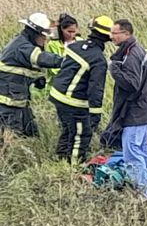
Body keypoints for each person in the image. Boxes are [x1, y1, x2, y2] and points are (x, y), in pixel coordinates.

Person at [48, 16, 111, 164]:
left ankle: (61, 158)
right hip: (73, 102)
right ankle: (74, 167)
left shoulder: (75, 46)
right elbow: (96, 89)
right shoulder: (98, 59)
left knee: (68, 130)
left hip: (57, 95)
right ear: (107, 37)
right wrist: (95, 114)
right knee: (82, 135)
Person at [106, 19, 147, 199]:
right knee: (143, 149)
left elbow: (132, 84)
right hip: (143, 109)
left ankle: (142, 192)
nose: (111, 37)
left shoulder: (132, 54)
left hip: (135, 112)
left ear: (126, 34)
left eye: (114, 33)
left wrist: (114, 70)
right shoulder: (136, 50)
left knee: (132, 152)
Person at [0, 13, 62, 136]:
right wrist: (67, 61)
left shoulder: (22, 42)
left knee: (31, 133)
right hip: (8, 103)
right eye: (44, 36)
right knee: (10, 136)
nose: (45, 39)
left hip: (18, 101)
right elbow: (41, 58)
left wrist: (36, 79)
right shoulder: (23, 47)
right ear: (35, 33)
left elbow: (21, 69)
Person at [46, 13, 79, 79]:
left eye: (74, 32)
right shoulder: (53, 44)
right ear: (62, 29)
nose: (71, 35)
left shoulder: (81, 42)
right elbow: (53, 69)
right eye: (69, 32)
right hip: (56, 82)